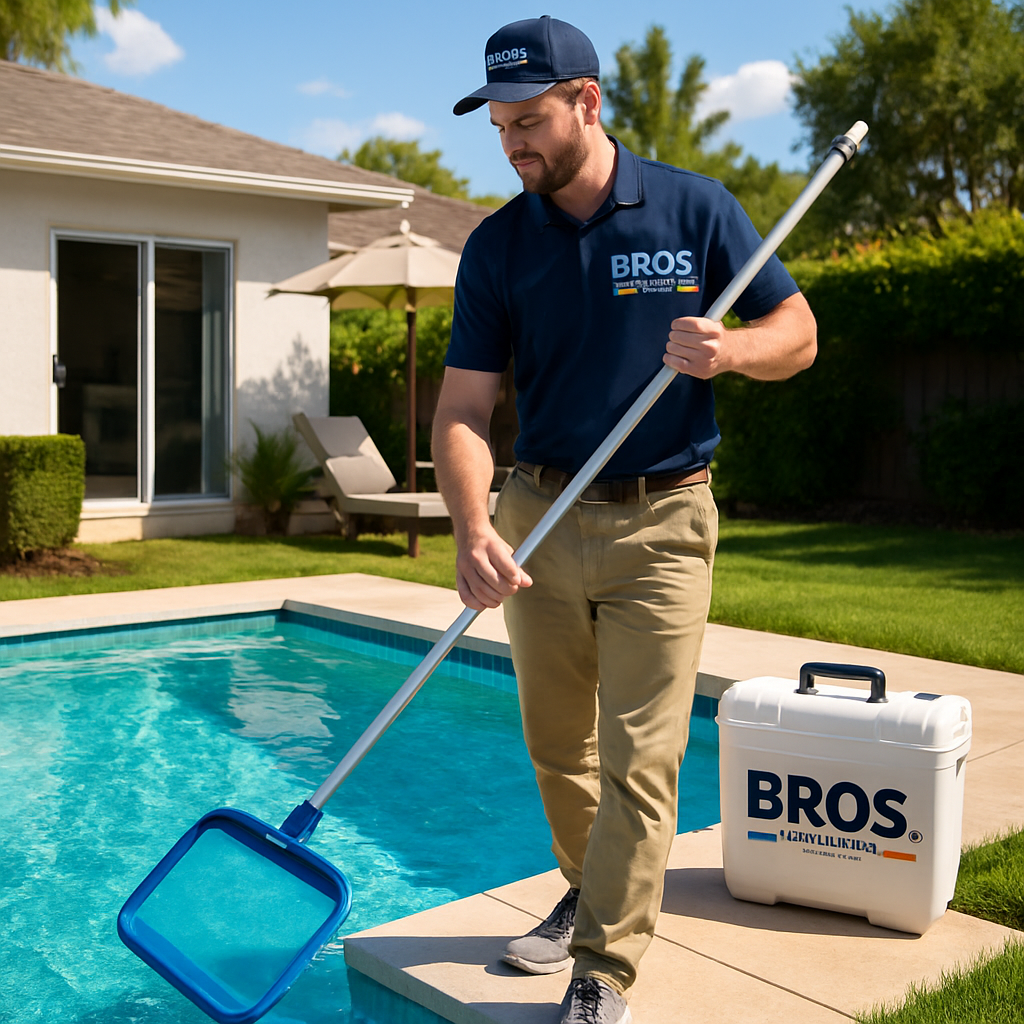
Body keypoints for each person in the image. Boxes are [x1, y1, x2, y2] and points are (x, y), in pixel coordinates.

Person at [433, 16, 817, 1024]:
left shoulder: (694, 208)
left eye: (529, 121)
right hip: (538, 513)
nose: (513, 143)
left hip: (664, 519)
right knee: (558, 745)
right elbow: (463, 411)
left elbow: (798, 332)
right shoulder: (498, 244)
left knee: (640, 753)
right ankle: (589, 886)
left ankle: (603, 971)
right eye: (500, 125)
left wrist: (731, 351)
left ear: (586, 103)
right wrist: (474, 527)